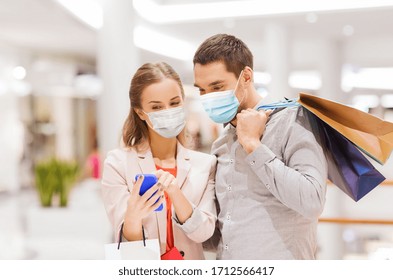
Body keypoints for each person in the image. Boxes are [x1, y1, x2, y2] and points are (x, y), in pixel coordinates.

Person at [193, 34, 328, 260]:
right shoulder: (221, 144)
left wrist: (254, 146)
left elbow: (312, 201)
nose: (209, 98)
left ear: (246, 76)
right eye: (202, 90)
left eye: (217, 87)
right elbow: (220, 236)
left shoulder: (294, 120)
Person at [101, 62, 217, 260]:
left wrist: (176, 194)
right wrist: (133, 215)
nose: (167, 111)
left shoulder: (205, 165)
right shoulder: (118, 163)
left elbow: (204, 233)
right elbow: (127, 245)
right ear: (140, 112)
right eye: (156, 107)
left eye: (174, 103)